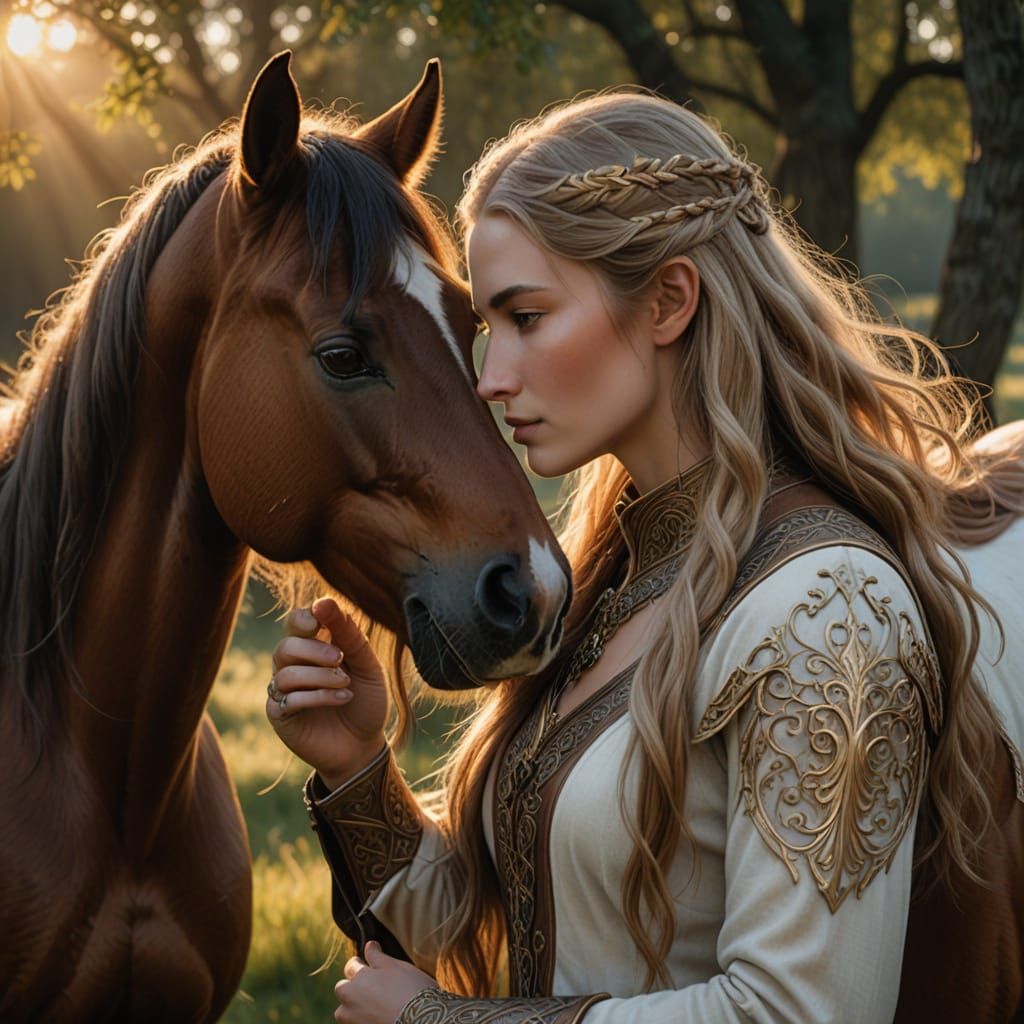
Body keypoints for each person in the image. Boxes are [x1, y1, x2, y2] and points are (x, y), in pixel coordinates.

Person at [266, 90, 1023, 1023]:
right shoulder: (617, 578)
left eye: (527, 317)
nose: (491, 378)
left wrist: (438, 1021)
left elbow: (796, 1011)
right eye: (487, 329)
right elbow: (525, 934)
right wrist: (357, 770)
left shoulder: (828, 609)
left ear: (668, 300)